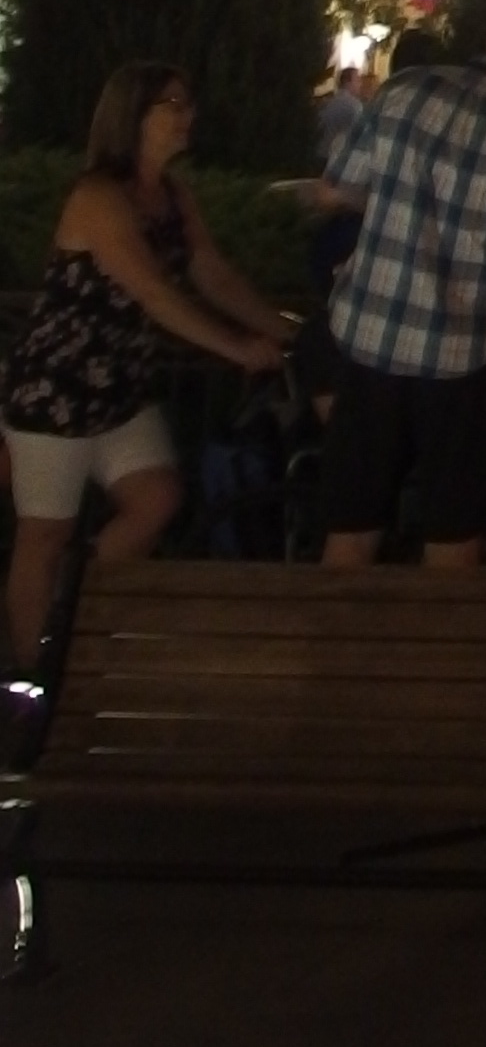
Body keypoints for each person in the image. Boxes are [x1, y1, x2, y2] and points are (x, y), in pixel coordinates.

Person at [2, 63, 290, 668]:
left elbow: (211, 273)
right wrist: (236, 348)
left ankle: (77, 611)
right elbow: (154, 292)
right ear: (135, 115)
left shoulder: (173, 195)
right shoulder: (98, 197)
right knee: (43, 535)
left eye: (188, 101)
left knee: (158, 498)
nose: (188, 114)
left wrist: (286, 330)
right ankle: (35, 676)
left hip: (120, 389)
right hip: (58, 388)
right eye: (173, 103)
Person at [319, 0, 486, 569]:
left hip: (369, 342)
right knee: (453, 540)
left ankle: (329, 650)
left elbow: (341, 185)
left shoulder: (406, 91)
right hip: (468, 359)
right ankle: (431, 653)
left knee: (351, 530)